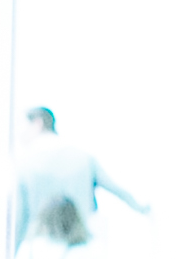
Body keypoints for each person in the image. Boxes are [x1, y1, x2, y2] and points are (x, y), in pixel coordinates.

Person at [11, 105, 149, 246]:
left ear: (37, 123)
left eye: (21, 125)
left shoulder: (24, 165)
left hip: (41, 247)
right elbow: (116, 189)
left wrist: (13, 251)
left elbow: (19, 216)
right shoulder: (83, 158)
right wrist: (143, 209)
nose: (18, 133)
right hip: (80, 243)